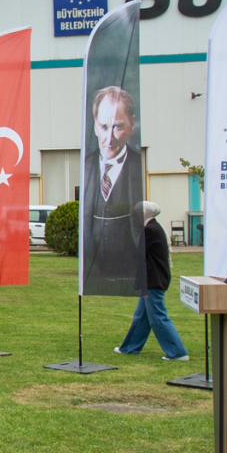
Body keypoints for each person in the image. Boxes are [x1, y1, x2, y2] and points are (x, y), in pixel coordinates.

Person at [84, 85, 146, 290]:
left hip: (130, 274)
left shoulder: (139, 167)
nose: (109, 138)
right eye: (103, 127)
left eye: (117, 127)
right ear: (94, 126)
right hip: (94, 274)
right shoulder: (85, 167)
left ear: (132, 125)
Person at [114, 201, 189, 361]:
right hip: (152, 279)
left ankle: (177, 352)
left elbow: (138, 254)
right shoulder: (155, 228)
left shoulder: (149, 230)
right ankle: (129, 348)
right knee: (142, 316)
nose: (134, 217)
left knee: (157, 316)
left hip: (152, 280)